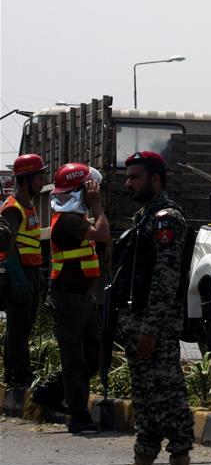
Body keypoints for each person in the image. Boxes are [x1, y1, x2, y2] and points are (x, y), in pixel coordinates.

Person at [110, 151, 196, 465]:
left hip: (153, 326)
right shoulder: (145, 218)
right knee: (146, 401)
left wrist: (150, 327)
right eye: (128, 177)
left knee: (168, 398)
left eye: (136, 177)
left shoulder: (166, 219)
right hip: (137, 322)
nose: (128, 183)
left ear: (156, 179)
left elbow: (166, 278)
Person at [47, 163, 110, 433]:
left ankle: (50, 392)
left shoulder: (74, 217)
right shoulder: (70, 220)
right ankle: (78, 414)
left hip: (82, 297)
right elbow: (104, 234)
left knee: (92, 357)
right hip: (69, 298)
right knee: (74, 358)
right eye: (91, 189)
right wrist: (97, 205)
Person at [0, 154, 48, 387]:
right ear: (27, 179)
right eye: (39, 177)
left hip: (32, 272)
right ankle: (19, 377)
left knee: (24, 327)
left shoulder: (30, 206)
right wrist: (17, 278)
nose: (42, 181)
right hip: (18, 273)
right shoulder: (13, 209)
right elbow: (6, 247)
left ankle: (12, 375)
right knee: (18, 329)